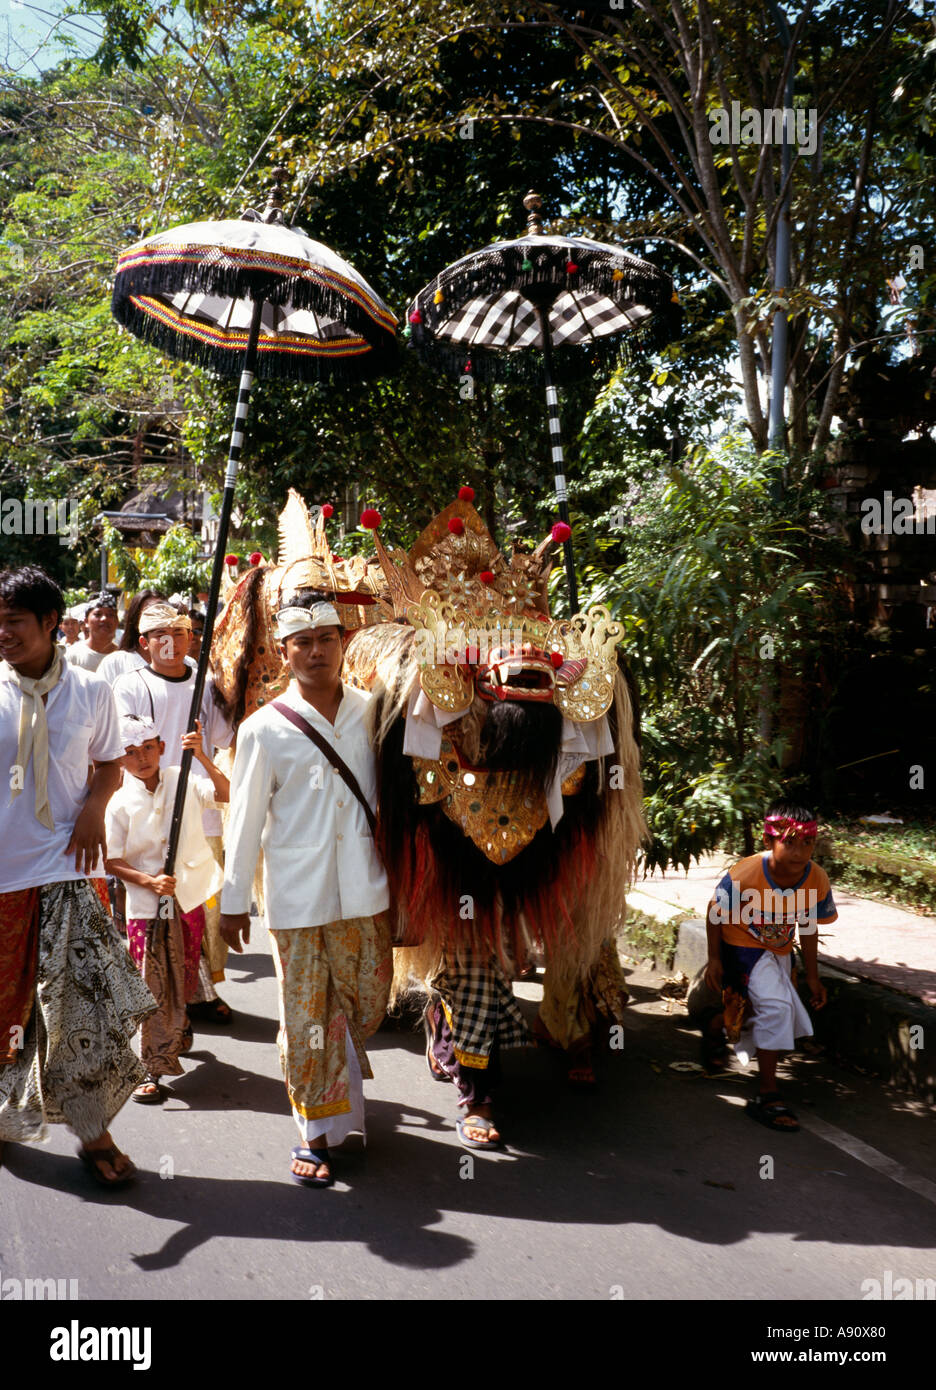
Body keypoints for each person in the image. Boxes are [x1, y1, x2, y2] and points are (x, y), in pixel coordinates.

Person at [219, 598, 392, 1189]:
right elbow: (242, 822)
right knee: (305, 1017)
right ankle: (313, 1133)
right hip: (297, 900)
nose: (317, 650)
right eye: (303, 642)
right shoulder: (263, 729)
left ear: (343, 644)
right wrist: (233, 900)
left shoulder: (374, 714)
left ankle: (339, 1094)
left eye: (327, 638)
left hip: (366, 891)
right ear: (284, 652)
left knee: (366, 1002)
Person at [0, 565, 154, 1185]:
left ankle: (94, 1134)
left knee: (79, 1015)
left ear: (48, 624)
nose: (3, 634)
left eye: (13, 622)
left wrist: (94, 805)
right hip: (4, 879)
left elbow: (111, 764)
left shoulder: (93, 691)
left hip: (67, 871)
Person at [112, 601, 234, 1016]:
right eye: (160, 636)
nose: (171, 643)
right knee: (150, 913)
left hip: (198, 806)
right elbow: (119, 749)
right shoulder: (128, 685)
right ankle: (154, 1007)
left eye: (180, 633)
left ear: (191, 638)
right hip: (144, 812)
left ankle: (195, 994)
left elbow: (223, 734)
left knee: (196, 907)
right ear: (145, 644)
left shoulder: (206, 682)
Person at [105, 714, 230, 1102]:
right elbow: (111, 861)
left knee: (183, 976)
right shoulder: (118, 803)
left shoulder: (184, 778)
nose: (141, 758)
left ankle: (177, 1026)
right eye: (130, 752)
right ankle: (150, 1067)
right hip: (145, 906)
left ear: (161, 747)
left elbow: (225, 794)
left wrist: (203, 756)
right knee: (150, 983)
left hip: (188, 894)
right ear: (119, 760)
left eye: (147, 748)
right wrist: (149, 882)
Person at [702, 800, 837, 1131]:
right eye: (789, 842)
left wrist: (814, 977)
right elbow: (714, 913)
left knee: (755, 1012)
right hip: (742, 947)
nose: (799, 852)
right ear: (769, 841)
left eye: (807, 842)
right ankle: (767, 1093)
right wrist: (715, 959)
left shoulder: (816, 878)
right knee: (776, 1009)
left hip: (778, 951)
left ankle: (715, 1027)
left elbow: (807, 924)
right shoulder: (745, 874)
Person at [96, 589, 170, 684]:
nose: (157, 620)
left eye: (162, 613)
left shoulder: (185, 664)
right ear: (136, 622)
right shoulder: (114, 663)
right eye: (149, 614)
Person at [66, 591, 120, 672]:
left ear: (117, 622)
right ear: (86, 622)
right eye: (98, 614)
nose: (104, 619)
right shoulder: (72, 655)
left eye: (110, 615)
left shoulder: (124, 657)